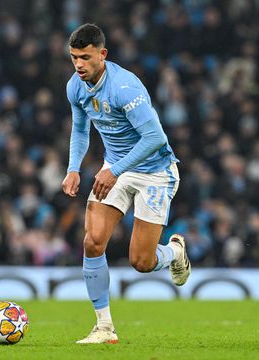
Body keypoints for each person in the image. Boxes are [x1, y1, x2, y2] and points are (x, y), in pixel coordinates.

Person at [62, 23, 191, 344]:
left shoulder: (124, 87)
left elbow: (155, 138)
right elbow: (80, 129)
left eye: (86, 57)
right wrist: (73, 168)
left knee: (142, 262)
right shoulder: (75, 87)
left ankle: (174, 252)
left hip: (155, 172)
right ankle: (104, 327)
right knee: (93, 241)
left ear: (102, 54)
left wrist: (115, 169)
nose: (79, 64)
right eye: (74, 57)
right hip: (116, 168)